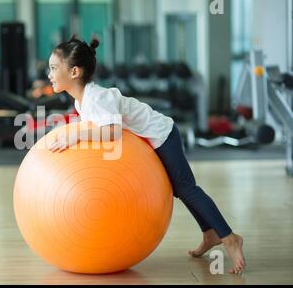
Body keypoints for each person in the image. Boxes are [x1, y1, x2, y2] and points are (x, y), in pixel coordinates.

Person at [47, 35, 246, 275]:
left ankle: (229, 237)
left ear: (74, 71)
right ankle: (210, 233)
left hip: (162, 135)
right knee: (181, 190)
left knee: (185, 189)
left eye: (54, 68)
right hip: (150, 140)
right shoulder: (82, 102)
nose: (49, 74)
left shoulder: (98, 97)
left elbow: (111, 132)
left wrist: (74, 137)